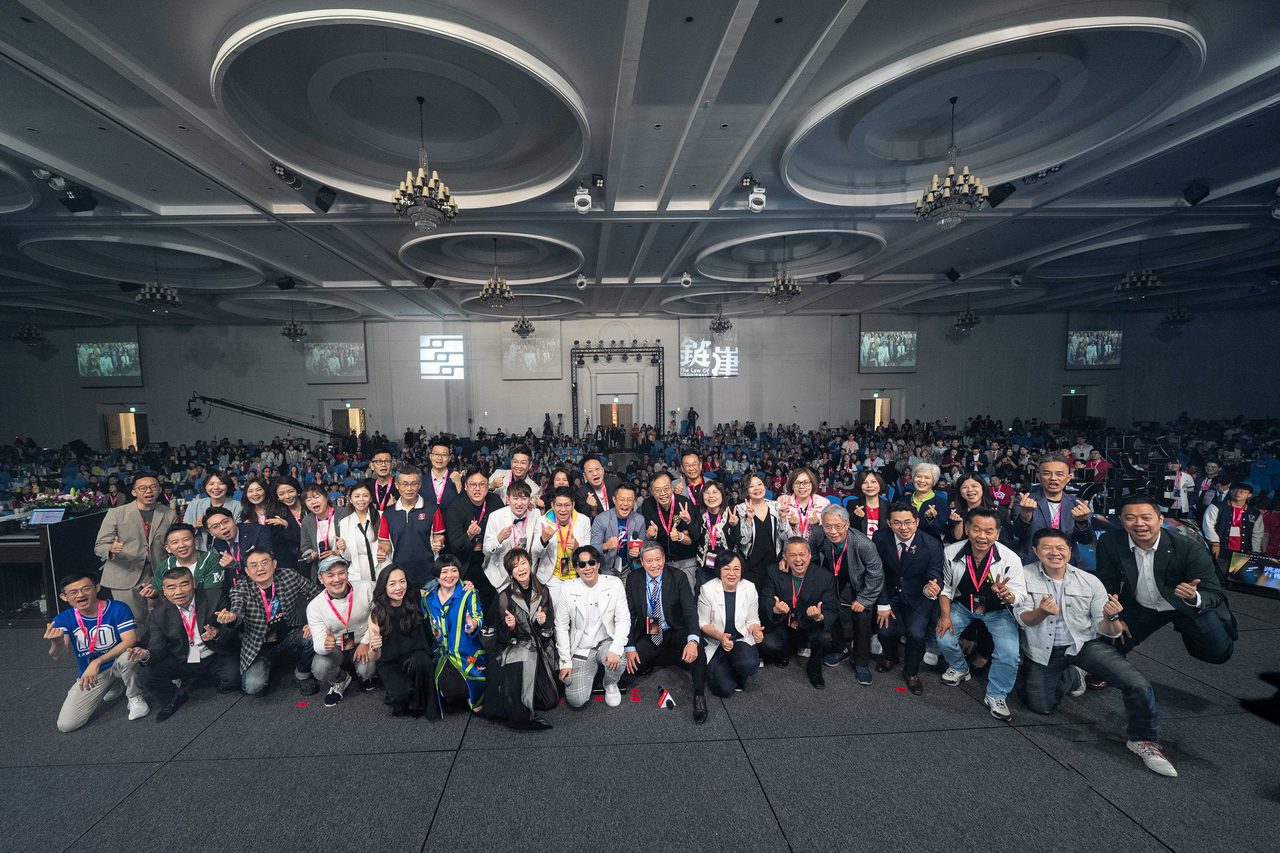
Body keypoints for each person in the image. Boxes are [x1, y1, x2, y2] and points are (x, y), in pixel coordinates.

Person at [1016, 528, 1177, 777]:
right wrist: (1042, 612)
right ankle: (1073, 676)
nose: (1054, 553)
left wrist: (1112, 618)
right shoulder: (1024, 576)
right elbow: (1024, 619)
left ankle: (1144, 740)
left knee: (1137, 683)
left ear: (1070, 551)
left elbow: (1108, 630)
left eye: (1060, 548)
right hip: (1042, 651)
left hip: (1083, 645)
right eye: (1047, 548)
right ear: (1036, 551)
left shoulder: (1089, 581)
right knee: (1041, 707)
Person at [1096, 494, 1236, 664]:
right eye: (1130, 518)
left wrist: (1194, 597)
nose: (1139, 523)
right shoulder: (1110, 541)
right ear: (1121, 520)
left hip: (1184, 604)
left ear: (1160, 519)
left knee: (1217, 653)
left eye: (1146, 518)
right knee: (1110, 642)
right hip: (1143, 604)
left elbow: (1214, 592)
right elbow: (1107, 581)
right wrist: (1114, 617)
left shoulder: (1189, 548)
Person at [935, 508, 1027, 721]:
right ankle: (959, 668)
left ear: (998, 533)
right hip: (963, 605)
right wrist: (945, 616)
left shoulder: (1010, 558)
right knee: (943, 637)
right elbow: (946, 588)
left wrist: (1008, 595)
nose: (982, 536)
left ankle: (996, 694)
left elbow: (1021, 595)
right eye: (976, 529)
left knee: (1009, 653)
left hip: (997, 611)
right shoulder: (951, 552)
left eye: (989, 531)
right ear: (967, 529)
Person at [130, 567, 238, 722]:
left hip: (215, 654)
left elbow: (233, 631)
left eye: (184, 584)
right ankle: (176, 695)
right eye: (171, 587)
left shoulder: (215, 596)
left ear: (193, 583)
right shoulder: (158, 614)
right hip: (185, 658)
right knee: (146, 674)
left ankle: (197, 681)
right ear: (164, 591)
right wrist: (146, 654)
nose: (178, 592)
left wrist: (217, 633)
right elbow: (158, 649)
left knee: (232, 681)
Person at [45, 571, 148, 731]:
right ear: (64, 597)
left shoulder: (118, 608)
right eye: (73, 592)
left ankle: (135, 696)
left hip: (118, 662)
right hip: (94, 673)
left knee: (129, 655)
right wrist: (56, 643)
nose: (80, 595)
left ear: (97, 588)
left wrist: (97, 662)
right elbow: (59, 656)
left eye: (86, 588)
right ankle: (114, 684)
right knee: (66, 725)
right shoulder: (63, 619)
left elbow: (130, 640)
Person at [622, 542, 709, 724]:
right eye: (649, 561)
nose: (654, 565)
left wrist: (693, 641)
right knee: (630, 668)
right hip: (651, 630)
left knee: (698, 652)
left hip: (675, 628)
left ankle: (699, 696)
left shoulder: (678, 576)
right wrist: (630, 646)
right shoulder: (633, 579)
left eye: (658, 559)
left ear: (664, 559)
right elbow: (629, 615)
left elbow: (689, 610)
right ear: (641, 562)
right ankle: (668, 657)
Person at [216, 547, 321, 696]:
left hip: (288, 636)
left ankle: (301, 675)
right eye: (254, 565)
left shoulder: (288, 576)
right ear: (247, 571)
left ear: (274, 563)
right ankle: (272, 665)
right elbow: (237, 611)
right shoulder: (240, 589)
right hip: (259, 647)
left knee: (313, 635)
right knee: (253, 687)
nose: (260, 568)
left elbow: (317, 594)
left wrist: (312, 622)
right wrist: (232, 617)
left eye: (265, 562)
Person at [872, 503, 945, 694]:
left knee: (916, 634)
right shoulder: (880, 538)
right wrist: (883, 603)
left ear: (917, 522)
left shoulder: (931, 544)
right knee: (884, 631)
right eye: (897, 523)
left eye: (908, 522)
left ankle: (911, 672)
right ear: (889, 523)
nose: (903, 527)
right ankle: (890, 657)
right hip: (889, 593)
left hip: (918, 596)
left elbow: (935, 573)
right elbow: (877, 573)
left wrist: (932, 587)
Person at [482, 549, 558, 730]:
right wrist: (511, 628)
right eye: (515, 566)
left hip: (539, 647)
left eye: (523, 563)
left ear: (530, 564)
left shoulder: (543, 591)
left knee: (550, 701)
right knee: (524, 655)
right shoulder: (504, 596)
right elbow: (498, 634)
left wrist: (542, 622)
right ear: (511, 572)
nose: (521, 569)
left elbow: (549, 629)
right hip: (517, 647)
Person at [808, 504, 883, 683]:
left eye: (838, 526)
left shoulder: (865, 545)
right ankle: (840, 649)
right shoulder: (818, 533)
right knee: (834, 612)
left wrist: (864, 599)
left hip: (860, 582)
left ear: (847, 524)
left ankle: (861, 663)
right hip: (834, 577)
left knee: (862, 619)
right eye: (828, 526)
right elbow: (811, 553)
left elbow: (876, 575)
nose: (833, 531)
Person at [92, 473, 177, 628]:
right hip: (125, 573)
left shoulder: (169, 513)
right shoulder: (116, 513)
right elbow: (100, 546)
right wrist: (110, 548)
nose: (148, 491)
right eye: (142, 488)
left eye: (153, 487)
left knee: (163, 618)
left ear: (159, 490)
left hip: (158, 573)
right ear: (134, 492)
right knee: (133, 622)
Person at [555, 544, 631, 708]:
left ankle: (610, 682)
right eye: (582, 564)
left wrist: (616, 648)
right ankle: (591, 669)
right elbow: (561, 627)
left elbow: (623, 620)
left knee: (619, 659)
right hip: (582, 647)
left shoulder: (614, 584)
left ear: (598, 564)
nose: (587, 568)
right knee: (576, 701)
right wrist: (565, 662)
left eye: (591, 562)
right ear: (576, 568)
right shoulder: (567, 589)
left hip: (606, 642)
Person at [760, 538, 837, 689]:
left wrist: (820, 616)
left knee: (825, 638)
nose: (798, 559)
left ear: (810, 555)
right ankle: (785, 652)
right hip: (784, 621)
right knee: (767, 643)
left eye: (802, 554)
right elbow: (765, 599)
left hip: (810, 623)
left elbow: (831, 608)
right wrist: (775, 608)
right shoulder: (773, 571)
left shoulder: (824, 577)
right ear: (785, 557)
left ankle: (815, 670)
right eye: (793, 555)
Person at [306, 556, 377, 707]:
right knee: (319, 668)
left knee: (367, 671)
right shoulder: (314, 607)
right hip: (337, 648)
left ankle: (364, 674)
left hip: (363, 641)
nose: (337, 579)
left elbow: (379, 617)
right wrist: (325, 645)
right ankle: (341, 679)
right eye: (330, 575)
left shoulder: (366, 588)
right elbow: (318, 644)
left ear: (347, 573)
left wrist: (365, 642)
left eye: (341, 573)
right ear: (321, 578)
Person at [422, 555, 486, 716]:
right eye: (444, 571)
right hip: (442, 656)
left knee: (476, 702)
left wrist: (473, 625)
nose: (450, 576)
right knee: (448, 693)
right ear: (436, 575)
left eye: (454, 570)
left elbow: (478, 616)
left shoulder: (468, 593)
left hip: (466, 653)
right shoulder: (428, 598)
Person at [367, 565, 435, 716]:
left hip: (415, 655)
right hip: (390, 661)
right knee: (401, 698)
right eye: (392, 584)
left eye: (402, 581)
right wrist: (374, 647)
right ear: (384, 587)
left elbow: (442, 591)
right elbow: (373, 658)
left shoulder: (415, 597)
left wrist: (464, 585)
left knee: (421, 661)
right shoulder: (376, 614)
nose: (399, 587)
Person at [698, 551, 764, 697]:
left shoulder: (749, 588)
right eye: (726, 569)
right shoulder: (707, 589)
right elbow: (703, 623)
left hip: (739, 640)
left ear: (741, 570)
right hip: (716, 642)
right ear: (719, 570)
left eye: (736, 569)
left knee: (748, 664)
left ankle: (737, 668)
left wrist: (756, 631)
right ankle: (724, 667)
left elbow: (753, 620)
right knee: (724, 690)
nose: (732, 573)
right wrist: (721, 637)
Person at [1010, 453, 1095, 563]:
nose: (1053, 478)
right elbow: (1018, 534)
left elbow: (1086, 540)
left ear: (1068, 478)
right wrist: (1025, 516)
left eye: (1059, 474)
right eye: (1047, 474)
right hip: (1032, 563)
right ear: (1039, 477)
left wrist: (1081, 522)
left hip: (1066, 565)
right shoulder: (1024, 501)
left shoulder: (1079, 505)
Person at [483, 480, 551, 604]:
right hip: (501, 574)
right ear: (507, 499)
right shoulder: (496, 516)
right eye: (515, 498)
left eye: (524, 499)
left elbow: (536, 549)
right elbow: (486, 550)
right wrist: (499, 538)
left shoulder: (535, 514)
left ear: (529, 500)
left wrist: (543, 540)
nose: (519, 503)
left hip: (527, 573)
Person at [377, 466, 444, 587]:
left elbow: (439, 536)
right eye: (405, 484)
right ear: (397, 485)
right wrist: (382, 551)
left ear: (419, 485)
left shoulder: (433, 509)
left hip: (429, 575)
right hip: (400, 577)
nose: (409, 489)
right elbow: (385, 542)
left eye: (413, 484)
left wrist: (439, 542)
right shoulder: (388, 514)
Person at [445, 468, 505, 601]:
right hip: (466, 561)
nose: (477, 489)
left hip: (491, 558)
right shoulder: (455, 508)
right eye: (473, 485)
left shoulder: (495, 501)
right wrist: (469, 535)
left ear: (488, 485)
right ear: (465, 486)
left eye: (482, 484)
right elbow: (455, 546)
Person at [642, 471, 704, 590]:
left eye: (666, 488)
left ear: (672, 487)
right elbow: (648, 537)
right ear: (652, 491)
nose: (662, 493)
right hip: (662, 562)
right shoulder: (647, 505)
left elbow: (691, 540)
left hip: (686, 561)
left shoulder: (683, 503)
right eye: (657, 490)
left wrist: (680, 537)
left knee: (687, 596)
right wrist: (651, 535)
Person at [538, 486, 593, 607]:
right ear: (552, 505)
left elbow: (589, 552)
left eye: (567, 505)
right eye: (559, 505)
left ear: (573, 505)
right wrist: (543, 541)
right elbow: (534, 553)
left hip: (577, 575)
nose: (563, 509)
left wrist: (578, 547)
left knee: (577, 610)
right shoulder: (542, 521)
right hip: (553, 577)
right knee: (558, 610)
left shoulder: (583, 520)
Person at [145, 523, 225, 600]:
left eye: (186, 540)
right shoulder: (164, 566)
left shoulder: (211, 560)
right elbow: (159, 595)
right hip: (175, 608)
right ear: (168, 548)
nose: (182, 545)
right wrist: (154, 594)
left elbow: (213, 595)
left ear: (196, 541)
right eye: (175, 542)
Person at [735, 473, 788, 588]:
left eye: (759, 484)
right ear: (746, 490)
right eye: (751, 486)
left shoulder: (776, 506)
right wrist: (749, 519)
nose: (757, 488)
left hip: (774, 564)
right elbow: (743, 541)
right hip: (751, 565)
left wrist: (783, 519)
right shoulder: (740, 509)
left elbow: (786, 537)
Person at [589, 481, 647, 580]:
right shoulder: (601, 519)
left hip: (628, 568)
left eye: (630, 500)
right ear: (614, 500)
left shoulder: (639, 520)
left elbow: (643, 548)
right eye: (622, 499)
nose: (625, 504)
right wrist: (606, 546)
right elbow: (592, 550)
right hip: (606, 569)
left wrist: (638, 551)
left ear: (634, 501)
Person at [205, 506, 273, 590]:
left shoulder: (258, 531)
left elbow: (265, 562)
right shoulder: (217, 543)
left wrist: (236, 565)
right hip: (239, 588)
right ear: (210, 532)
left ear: (234, 520)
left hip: (265, 583)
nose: (223, 527)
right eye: (215, 527)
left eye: (225, 522)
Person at [1202, 482, 1264, 566]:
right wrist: (1215, 543)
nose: (1238, 493)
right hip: (1220, 548)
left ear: (1249, 495)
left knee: (1237, 574)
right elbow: (1208, 526)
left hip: (1244, 552)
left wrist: (1255, 552)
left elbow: (1257, 534)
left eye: (1243, 491)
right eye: (1235, 490)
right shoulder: (1217, 507)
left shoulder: (1254, 513)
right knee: (1218, 570)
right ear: (1230, 492)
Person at [337, 480, 385, 585]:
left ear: (371, 498)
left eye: (365, 496)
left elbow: (389, 543)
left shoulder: (381, 516)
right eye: (357, 496)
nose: (361, 499)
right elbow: (348, 557)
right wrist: (344, 548)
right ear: (350, 499)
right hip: (358, 571)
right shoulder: (345, 522)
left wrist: (385, 552)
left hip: (380, 566)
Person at [300, 484, 351, 580]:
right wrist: (311, 554)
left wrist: (340, 552)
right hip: (323, 571)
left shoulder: (344, 513)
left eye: (316, 497)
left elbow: (355, 540)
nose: (313, 502)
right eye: (308, 500)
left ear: (326, 497)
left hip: (347, 568)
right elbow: (305, 546)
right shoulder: (307, 521)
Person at [697, 481, 741, 586]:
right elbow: (695, 538)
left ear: (722, 495)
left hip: (728, 566)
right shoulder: (699, 514)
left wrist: (734, 526)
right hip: (706, 567)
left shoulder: (731, 512)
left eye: (715, 492)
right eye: (707, 493)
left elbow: (737, 541)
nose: (711, 496)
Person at [183, 471, 242, 549]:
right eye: (211, 484)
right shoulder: (194, 505)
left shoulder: (238, 506)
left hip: (227, 551)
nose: (216, 487)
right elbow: (184, 532)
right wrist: (195, 526)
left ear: (228, 486)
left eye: (221, 483)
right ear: (205, 486)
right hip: (199, 551)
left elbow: (239, 533)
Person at [778, 466, 830, 540]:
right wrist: (786, 524)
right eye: (797, 483)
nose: (801, 486)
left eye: (806, 483)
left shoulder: (823, 503)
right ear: (792, 486)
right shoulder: (782, 501)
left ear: (812, 484)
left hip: (815, 546)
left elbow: (829, 534)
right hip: (791, 545)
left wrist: (818, 524)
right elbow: (781, 537)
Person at [271, 476, 308, 571]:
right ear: (277, 497)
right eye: (281, 494)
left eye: (290, 491)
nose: (287, 497)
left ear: (298, 491)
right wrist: (287, 527)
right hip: (294, 563)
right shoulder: (277, 515)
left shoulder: (310, 508)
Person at [907, 463, 948, 540]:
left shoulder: (941, 503)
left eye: (927, 478)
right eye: (918, 476)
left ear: (934, 481)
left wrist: (931, 519)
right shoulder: (903, 500)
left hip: (930, 545)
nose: (922, 481)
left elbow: (940, 530)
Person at [849, 470, 890, 537]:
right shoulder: (853, 504)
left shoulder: (888, 506)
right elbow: (850, 530)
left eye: (873, 482)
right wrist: (857, 517)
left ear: (880, 483)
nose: (869, 486)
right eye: (864, 482)